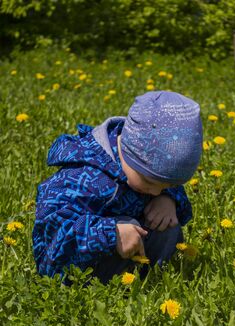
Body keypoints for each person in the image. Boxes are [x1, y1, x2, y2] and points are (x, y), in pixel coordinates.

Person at [32, 91, 203, 284]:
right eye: (150, 183)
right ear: (130, 153)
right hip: (78, 273)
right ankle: (108, 293)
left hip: (131, 252)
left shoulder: (148, 175)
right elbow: (52, 237)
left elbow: (162, 186)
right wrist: (111, 234)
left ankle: (154, 281)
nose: (156, 191)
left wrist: (169, 199)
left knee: (167, 226)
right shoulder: (82, 177)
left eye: (168, 185)